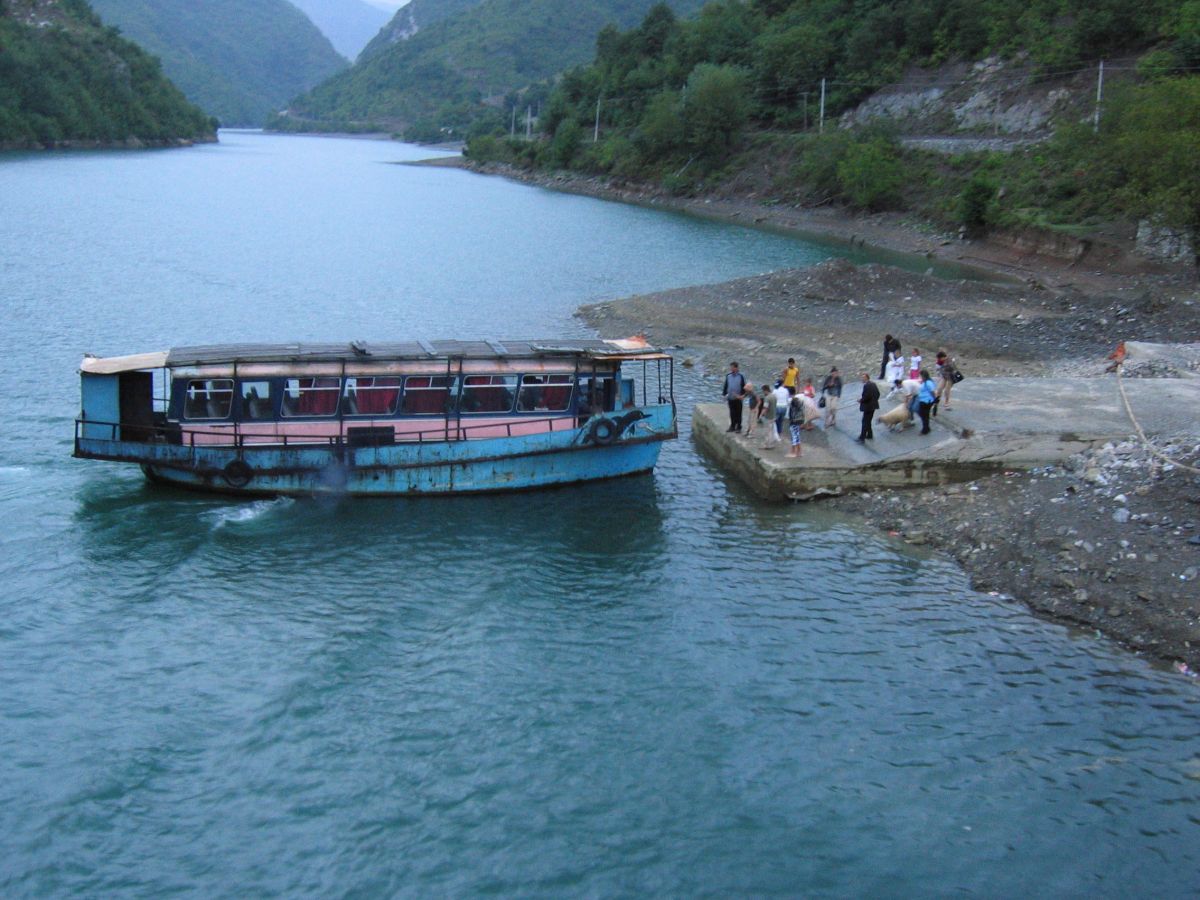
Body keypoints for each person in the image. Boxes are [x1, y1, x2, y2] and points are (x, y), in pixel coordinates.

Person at [722, 362, 746, 432]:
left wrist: (742, 396)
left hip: (738, 398)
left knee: (738, 413)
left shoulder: (741, 376)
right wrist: (724, 394)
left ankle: (739, 427)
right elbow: (726, 385)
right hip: (730, 398)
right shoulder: (728, 376)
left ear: (736, 368)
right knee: (732, 413)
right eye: (731, 367)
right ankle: (732, 426)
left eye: (732, 367)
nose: (731, 369)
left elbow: (743, 387)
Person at [856, 372, 879, 442]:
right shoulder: (873, 384)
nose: (862, 379)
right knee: (868, 421)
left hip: (868, 407)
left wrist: (861, 400)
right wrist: (874, 400)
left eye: (863, 377)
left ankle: (862, 437)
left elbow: (866, 397)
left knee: (865, 422)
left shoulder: (866, 386)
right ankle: (869, 434)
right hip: (873, 406)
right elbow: (878, 394)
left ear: (866, 378)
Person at [916, 369, 937, 434]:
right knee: (925, 415)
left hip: (926, 401)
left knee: (923, 415)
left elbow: (932, 392)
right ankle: (926, 428)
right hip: (923, 400)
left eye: (921, 376)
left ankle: (925, 429)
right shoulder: (925, 382)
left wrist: (934, 399)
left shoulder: (928, 383)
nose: (920, 377)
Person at [759, 384, 780, 449]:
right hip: (773, 416)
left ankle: (766, 445)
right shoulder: (774, 396)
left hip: (768, 417)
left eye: (763, 391)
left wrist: (760, 415)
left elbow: (765, 408)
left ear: (765, 390)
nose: (763, 392)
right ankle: (771, 444)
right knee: (772, 431)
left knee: (767, 432)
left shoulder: (767, 398)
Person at [787, 392, 805, 458]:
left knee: (794, 437)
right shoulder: (800, 404)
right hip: (799, 421)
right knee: (797, 436)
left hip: (793, 422)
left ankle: (793, 452)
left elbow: (791, 415)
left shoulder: (792, 405)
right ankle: (799, 451)